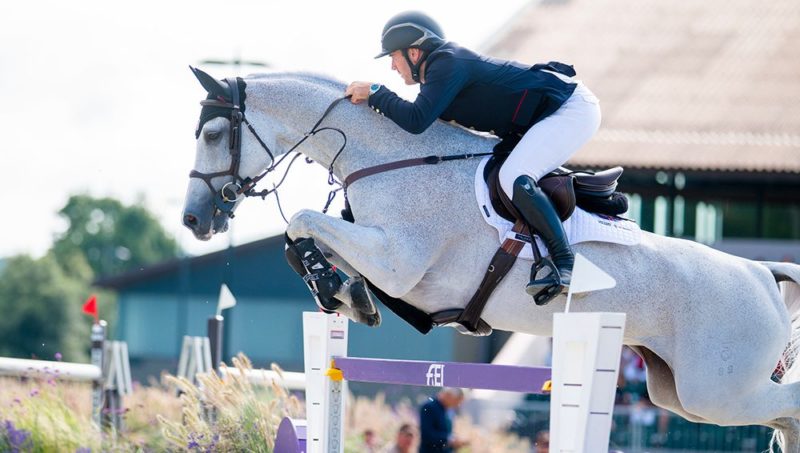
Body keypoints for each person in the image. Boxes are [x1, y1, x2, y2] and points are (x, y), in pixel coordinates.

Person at [346, 11, 601, 299]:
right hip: (546, 115)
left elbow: (415, 120)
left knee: (513, 176)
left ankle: (567, 264)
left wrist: (377, 93)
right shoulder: (439, 75)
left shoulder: (445, 64)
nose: (392, 66)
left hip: (571, 108)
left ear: (414, 53)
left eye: (393, 57)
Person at [418, 388, 469, 452]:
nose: (457, 405)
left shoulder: (448, 410)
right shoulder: (429, 407)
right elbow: (427, 435)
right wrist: (449, 440)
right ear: (449, 395)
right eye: (456, 401)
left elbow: (446, 433)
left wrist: (454, 442)